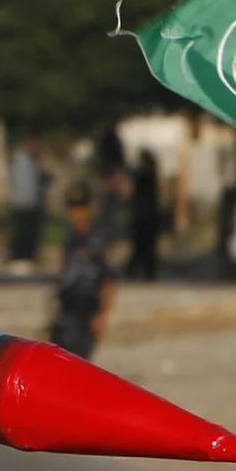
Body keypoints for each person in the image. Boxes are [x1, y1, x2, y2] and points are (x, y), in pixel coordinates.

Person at [49, 184, 118, 360]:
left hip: (86, 309)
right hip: (67, 309)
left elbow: (108, 280)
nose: (76, 214)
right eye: (73, 208)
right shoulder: (70, 239)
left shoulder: (98, 239)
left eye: (80, 208)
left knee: (79, 361)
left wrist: (102, 314)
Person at [5, 136, 45, 270]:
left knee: (29, 233)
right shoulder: (22, 159)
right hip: (24, 204)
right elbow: (23, 181)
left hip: (31, 203)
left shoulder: (32, 158)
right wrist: (26, 200)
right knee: (22, 233)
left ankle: (28, 257)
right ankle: (19, 258)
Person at [125, 150, 163, 281]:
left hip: (144, 217)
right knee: (143, 248)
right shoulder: (147, 175)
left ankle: (144, 272)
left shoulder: (145, 175)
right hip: (145, 217)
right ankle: (143, 272)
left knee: (144, 248)